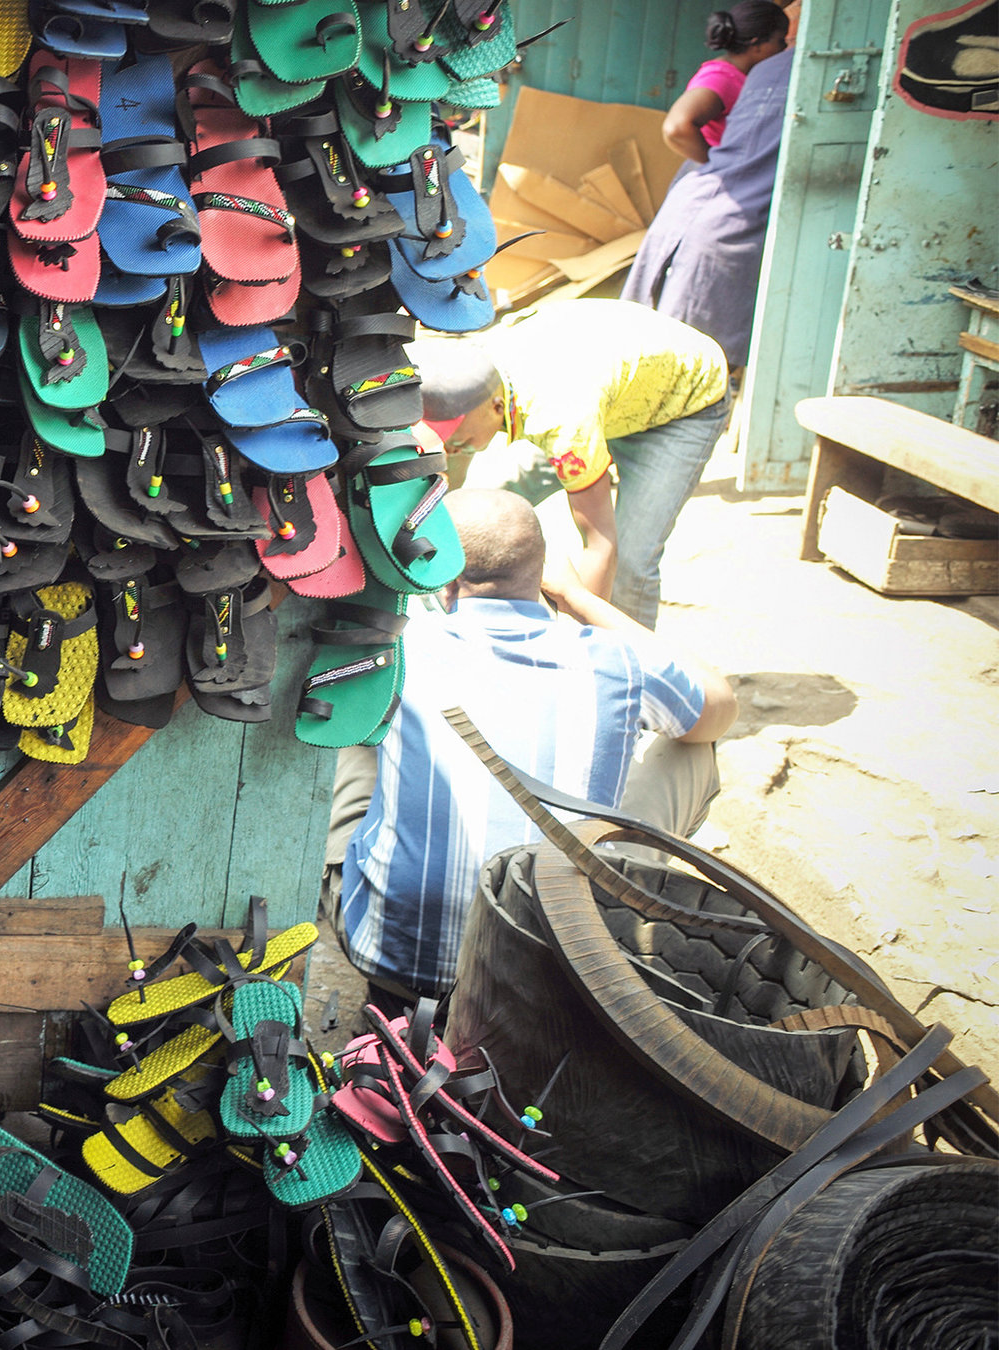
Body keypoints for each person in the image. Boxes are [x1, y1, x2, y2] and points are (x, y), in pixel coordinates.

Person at [323, 490, 740, 1002]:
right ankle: (623, 910)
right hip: (551, 980)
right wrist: (580, 599)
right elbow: (721, 704)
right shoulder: (616, 662)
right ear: (542, 575)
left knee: (359, 725)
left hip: (392, 963)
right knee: (695, 748)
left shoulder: (401, 648)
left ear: (447, 576)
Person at [413, 300, 731, 630]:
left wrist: (578, 646)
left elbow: (601, 544)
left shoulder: (562, 424)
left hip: (680, 401)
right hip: (607, 387)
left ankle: (630, 668)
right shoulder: (473, 371)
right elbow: (451, 494)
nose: (451, 447)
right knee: (486, 517)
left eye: (459, 442)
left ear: (497, 407)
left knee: (630, 563)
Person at [625, 38, 793, 369]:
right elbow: (676, 126)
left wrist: (718, 166)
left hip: (693, 197)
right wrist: (721, 165)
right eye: (779, 40)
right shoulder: (743, 76)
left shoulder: (760, 73)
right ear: (760, 43)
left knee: (658, 342)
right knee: (688, 360)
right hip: (722, 207)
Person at [663, 0, 792, 162]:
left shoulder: (742, 75)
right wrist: (717, 165)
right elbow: (676, 128)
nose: (784, 48)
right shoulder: (721, 78)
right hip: (716, 175)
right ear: (756, 43)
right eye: (780, 40)